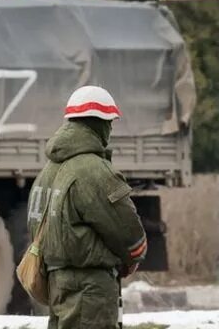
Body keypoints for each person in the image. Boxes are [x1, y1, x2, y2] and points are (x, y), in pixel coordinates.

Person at [28, 85, 147, 329]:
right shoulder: (94, 172)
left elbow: (35, 225)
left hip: (56, 283)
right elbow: (127, 231)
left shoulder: (47, 172)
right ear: (98, 125)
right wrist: (133, 256)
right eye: (109, 123)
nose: (110, 129)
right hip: (90, 288)